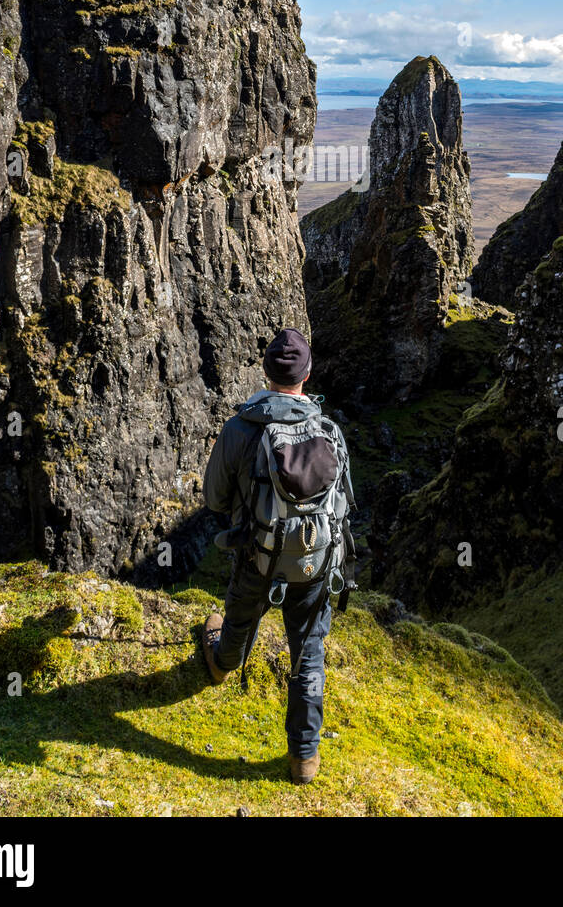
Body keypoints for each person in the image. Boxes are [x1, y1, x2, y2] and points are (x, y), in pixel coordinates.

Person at [201, 327, 356, 786]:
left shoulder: (242, 428)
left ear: (266, 373)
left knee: (238, 618)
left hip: (258, 556)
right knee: (308, 651)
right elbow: (346, 500)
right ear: (307, 376)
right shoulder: (329, 429)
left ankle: (222, 664)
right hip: (316, 564)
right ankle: (304, 757)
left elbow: (213, 498)